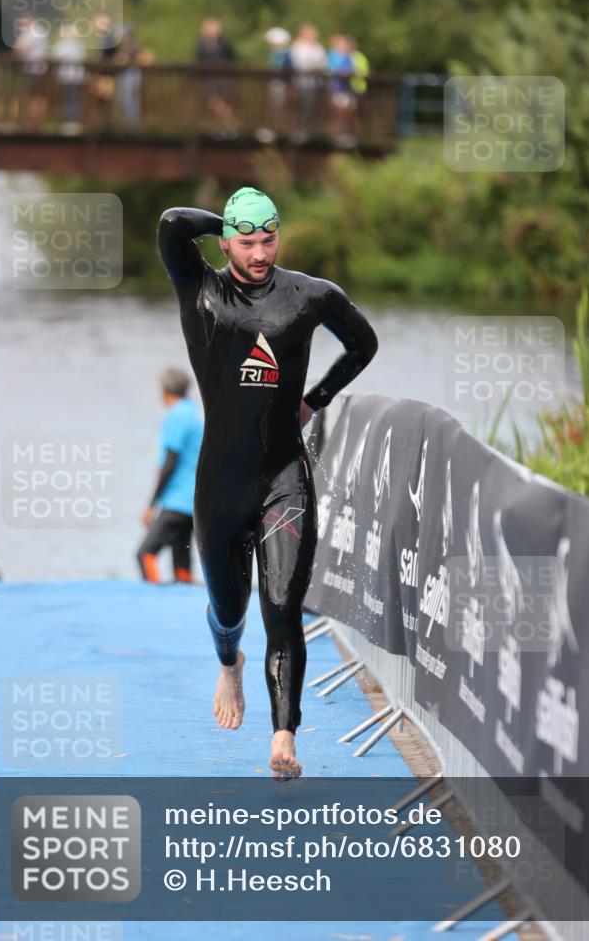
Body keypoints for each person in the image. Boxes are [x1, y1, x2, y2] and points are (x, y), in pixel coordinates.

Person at [157, 187, 378, 778]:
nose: (259, 252)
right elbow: (173, 224)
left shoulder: (308, 296)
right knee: (229, 610)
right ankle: (229, 663)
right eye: (246, 240)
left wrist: (316, 400)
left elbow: (364, 343)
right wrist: (224, 219)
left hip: (285, 477)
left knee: (282, 609)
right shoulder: (200, 288)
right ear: (226, 240)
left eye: (269, 238)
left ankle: (284, 738)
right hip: (220, 485)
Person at [137, 367, 204, 585]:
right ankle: (184, 593)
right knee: (181, 561)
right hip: (193, 499)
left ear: (165, 390)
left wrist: (151, 504)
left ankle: (152, 597)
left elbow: (170, 461)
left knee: (145, 553)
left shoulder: (176, 415)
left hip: (177, 501)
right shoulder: (194, 413)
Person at [194, 17, 237, 134]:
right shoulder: (201, 43)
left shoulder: (225, 43)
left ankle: (225, 128)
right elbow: (198, 60)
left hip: (225, 78)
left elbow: (232, 59)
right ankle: (232, 124)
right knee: (214, 102)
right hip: (209, 79)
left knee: (223, 103)